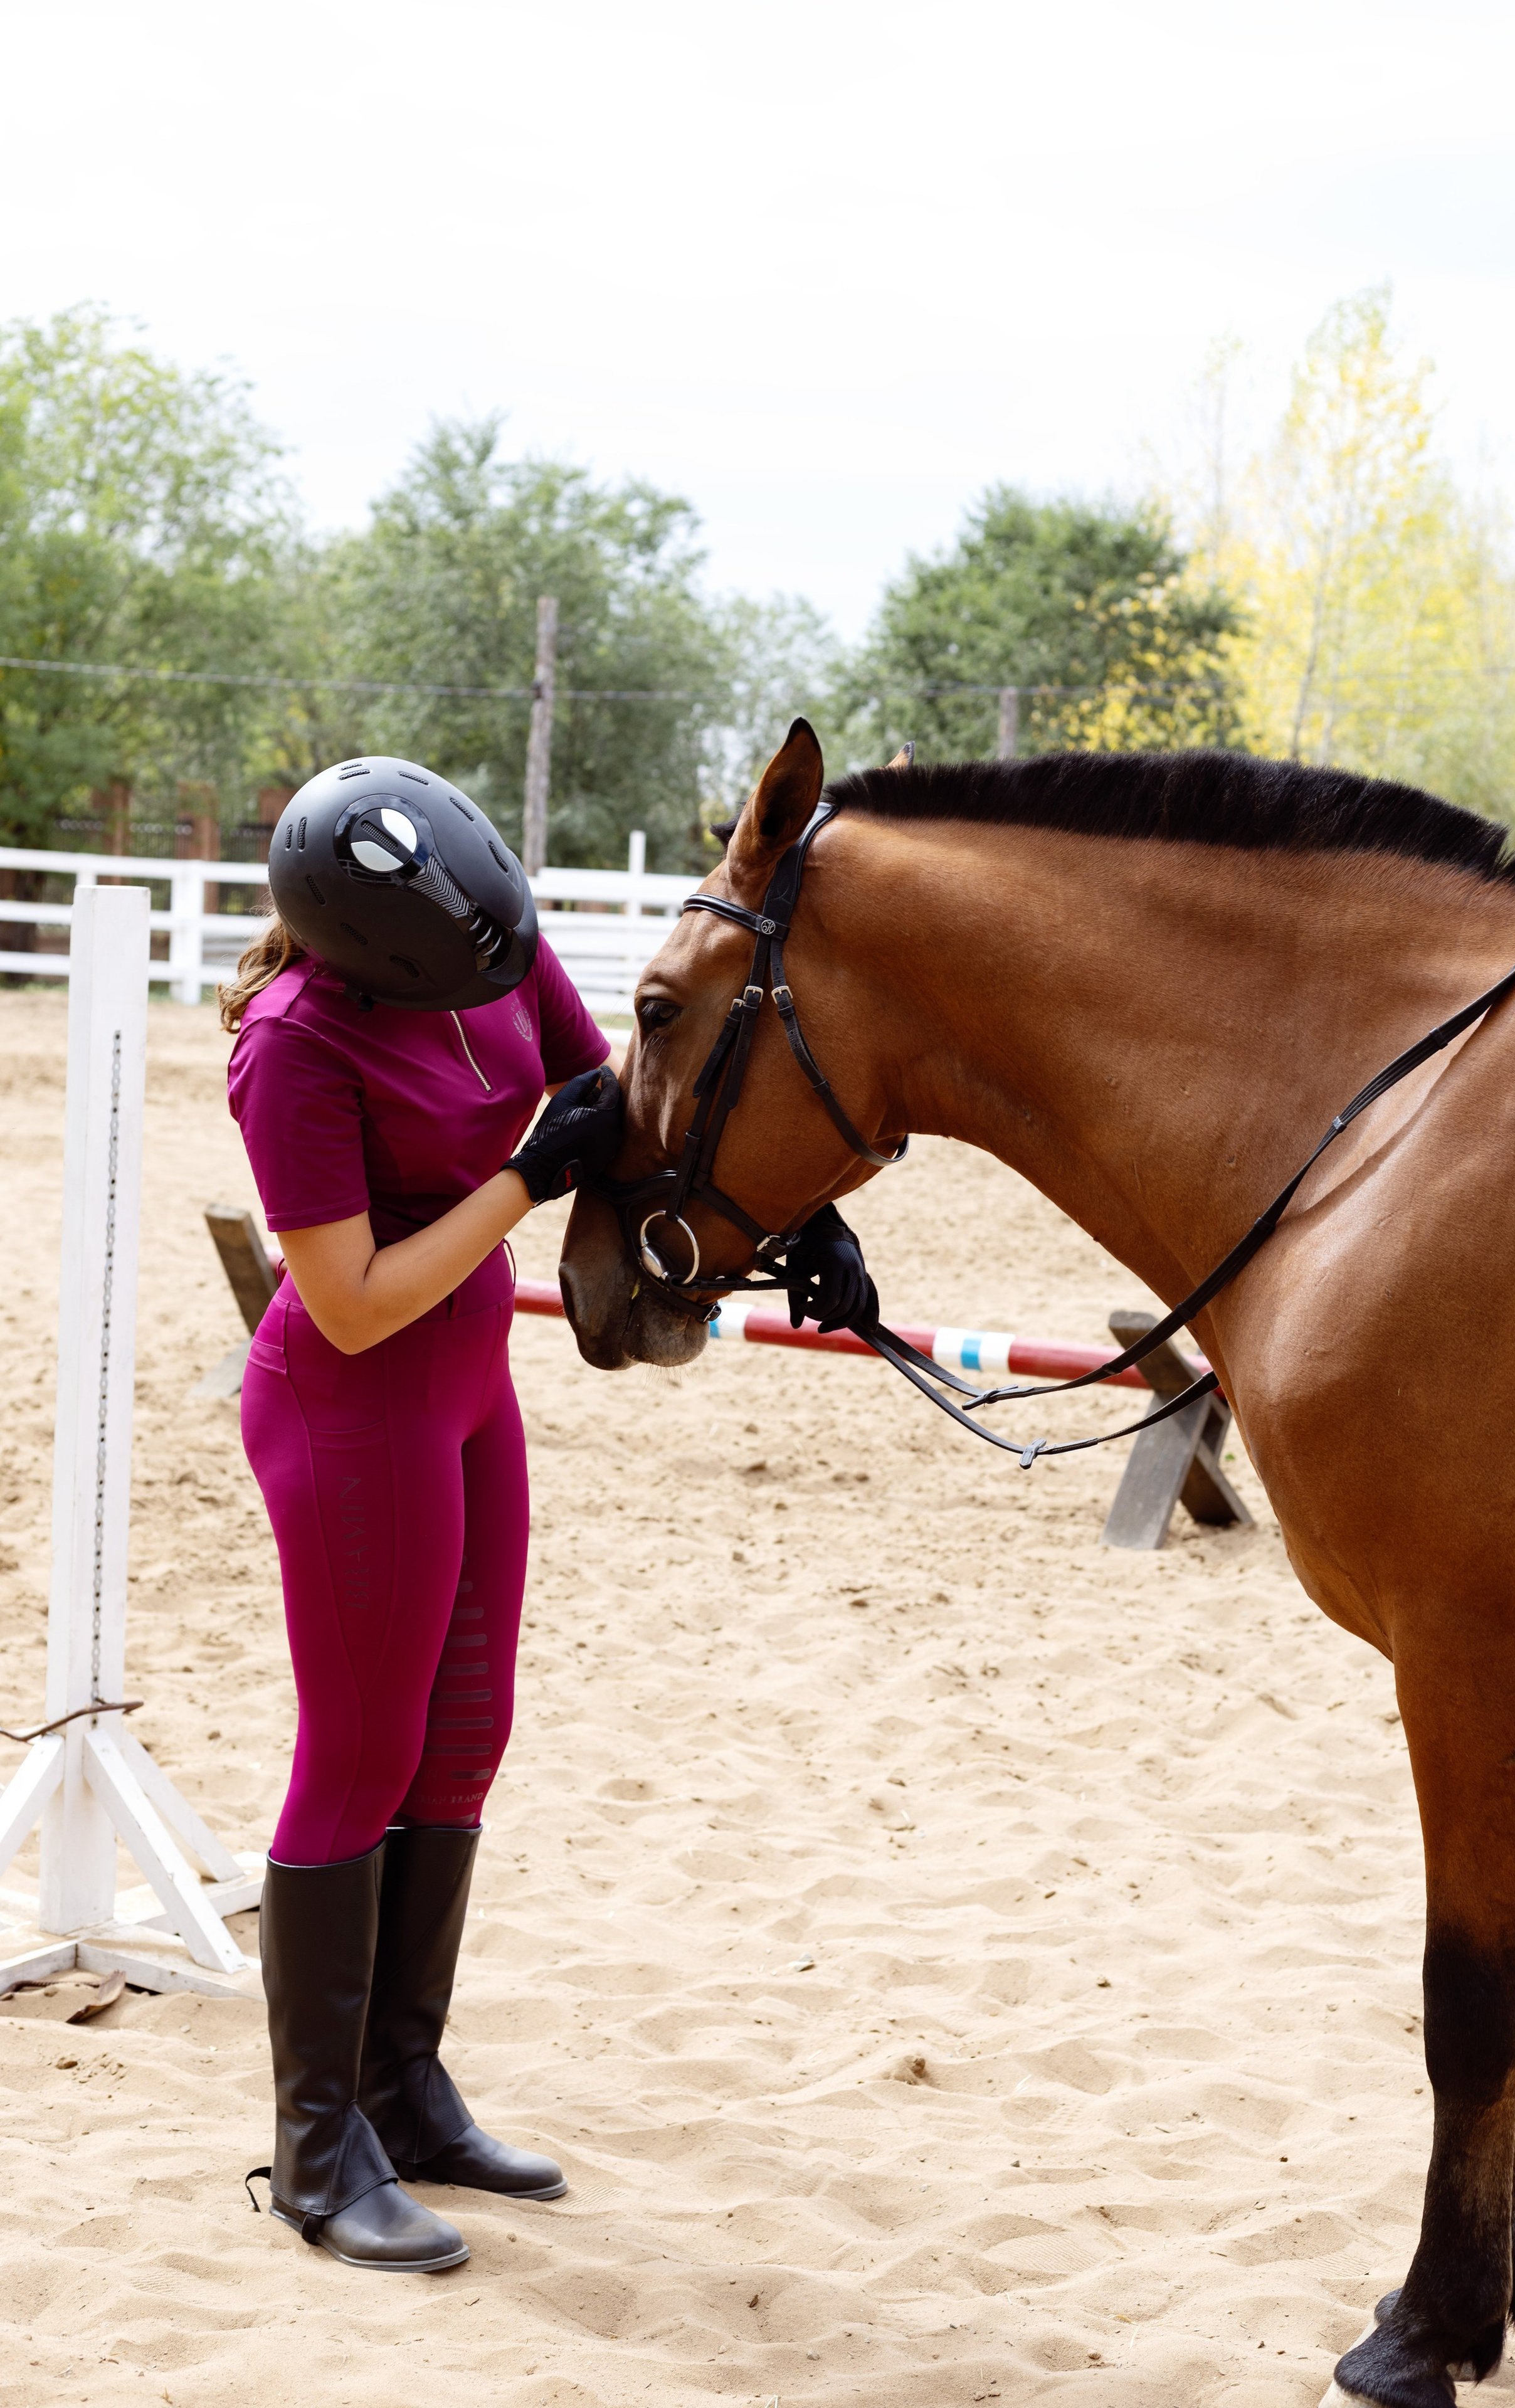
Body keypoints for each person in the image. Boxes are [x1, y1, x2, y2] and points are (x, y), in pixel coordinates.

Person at [223, 754, 878, 2276]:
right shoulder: (296, 1048)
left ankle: (405, 2087)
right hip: (354, 1399)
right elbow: (356, 1299)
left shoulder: (494, 961)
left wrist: (808, 1219)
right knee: (360, 1754)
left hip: (465, 1392)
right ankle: (319, 2153)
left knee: (463, 1735)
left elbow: (642, 1100)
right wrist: (522, 1183)